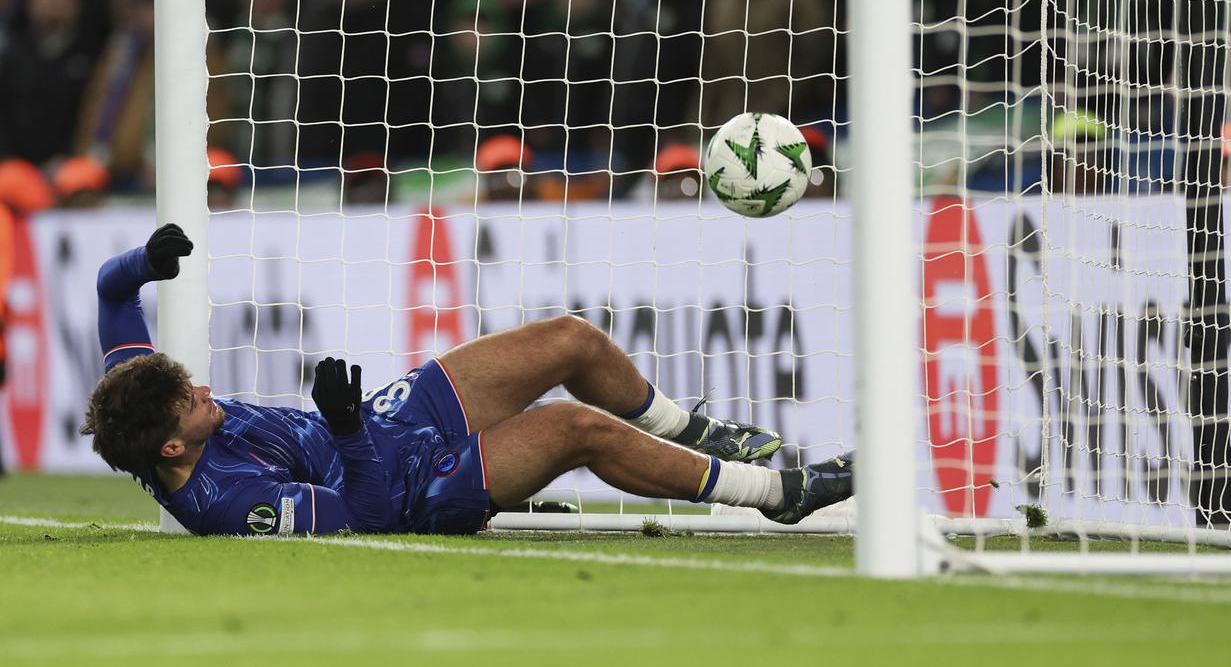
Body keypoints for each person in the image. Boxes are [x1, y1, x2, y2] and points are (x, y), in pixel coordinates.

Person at [81, 224, 854, 536]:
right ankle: (776, 496)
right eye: (194, 399)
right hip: (414, 486)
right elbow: (373, 517)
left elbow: (111, 295)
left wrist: (146, 264)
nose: (206, 390)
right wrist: (346, 429)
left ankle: (692, 432)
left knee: (567, 341)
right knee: (570, 427)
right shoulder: (231, 503)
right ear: (177, 444)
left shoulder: (138, 400)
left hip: (385, 421)